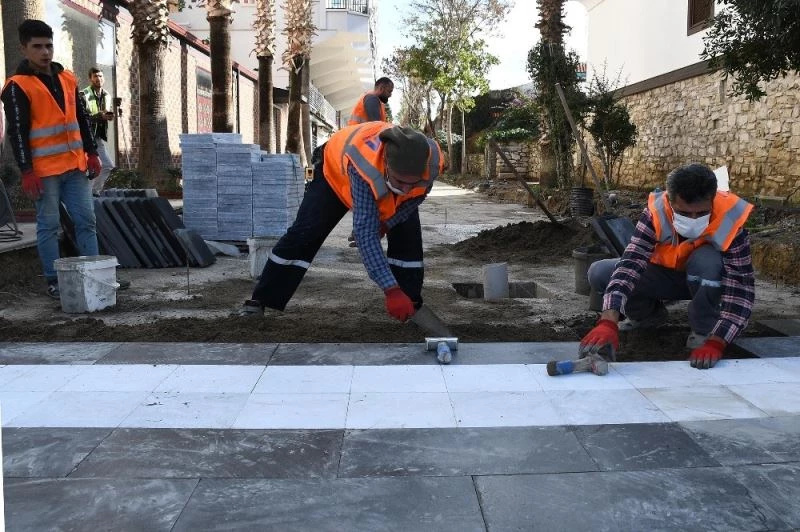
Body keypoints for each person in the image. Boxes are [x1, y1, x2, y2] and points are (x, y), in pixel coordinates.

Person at [237, 122, 446, 321]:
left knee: (407, 234)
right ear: (385, 165)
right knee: (306, 233)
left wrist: (388, 223)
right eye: (401, 181)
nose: (407, 189)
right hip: (334, 174)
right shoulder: (364, 167)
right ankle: (260, 300)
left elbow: (414, 199)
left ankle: (410, 304)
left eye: (414, 182)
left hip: (378, 176)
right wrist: (390, 289)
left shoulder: (430, 162)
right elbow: (365, 235)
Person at [579, 163, 755, 369]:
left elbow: (741, 288)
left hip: (709, 280)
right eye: (684, 213)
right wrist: (608, 319)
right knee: (600, 272)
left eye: (701, 213)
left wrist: (719, 340)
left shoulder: (730, 219)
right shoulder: (656, 212)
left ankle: (705, 329)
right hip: (666, 278)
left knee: (707, 259)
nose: (693, 220)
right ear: (670, 202)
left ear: (712, 199)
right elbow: (631, 262)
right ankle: (646, 316)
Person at [2, 19, 102, 299]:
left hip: (74, 167)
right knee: (48, 226)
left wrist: (92, 151)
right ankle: (53, 280)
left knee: (87, 221)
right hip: (44, 172)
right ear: (24, 49)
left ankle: (94, 275)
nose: (45, 52)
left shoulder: (67, 78)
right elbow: (17, 134)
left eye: (48, 45)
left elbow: (81, 118)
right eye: (37, 47)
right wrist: (26, 171)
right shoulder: (16, 86)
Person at [81, 67, 115, 195]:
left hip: (97, 137)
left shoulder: (107, 95)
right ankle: (87, 193)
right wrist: (98, 116)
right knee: (84, 168)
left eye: (100, 76)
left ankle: (93, 192)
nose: (98, 79)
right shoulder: (83, 95)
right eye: (95, 76)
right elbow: (81, 119)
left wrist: (108, 117)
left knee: (107, 165)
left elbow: (105, 113)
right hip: (83, 136)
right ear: (90, 79)